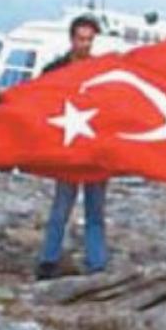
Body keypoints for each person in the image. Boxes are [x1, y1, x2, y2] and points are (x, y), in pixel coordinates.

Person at [36, 14, 109, 280]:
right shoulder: (56, 69)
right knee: (61, 207)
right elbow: (36, 99)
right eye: (81, 39)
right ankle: (48, 259)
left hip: (95, 151)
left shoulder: (102, 71)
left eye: (89, 39)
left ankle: (97, 263)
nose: (85, 44)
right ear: (71, 39)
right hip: (67, 150)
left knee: (95, 210)